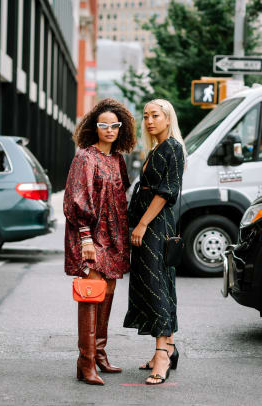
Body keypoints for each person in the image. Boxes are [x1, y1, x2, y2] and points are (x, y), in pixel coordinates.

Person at [63, 98, 136, 385]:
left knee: (107, 295)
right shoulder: (85, 156)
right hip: (91, 237)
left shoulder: (118, 159)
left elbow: (120, 198)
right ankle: (86, 362)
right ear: (95, 127)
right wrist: (85, 239)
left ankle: (101, 354)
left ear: (121, 129)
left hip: (115, 237)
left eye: (114, 125)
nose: (109, 129)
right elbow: (75, 200)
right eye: (103, 125)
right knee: (91, 294)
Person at [123, 99, 186, 385]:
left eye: (155, 115)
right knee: (155, 284)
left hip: (155, 225)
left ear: (167, 117)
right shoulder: (157, 147)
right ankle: (167, 348)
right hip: (149, 223)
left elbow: (165, 192)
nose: (149, 121)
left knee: (156, 285)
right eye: (146, 116)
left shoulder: (171, 146)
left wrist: (143, 224)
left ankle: (162, 356)